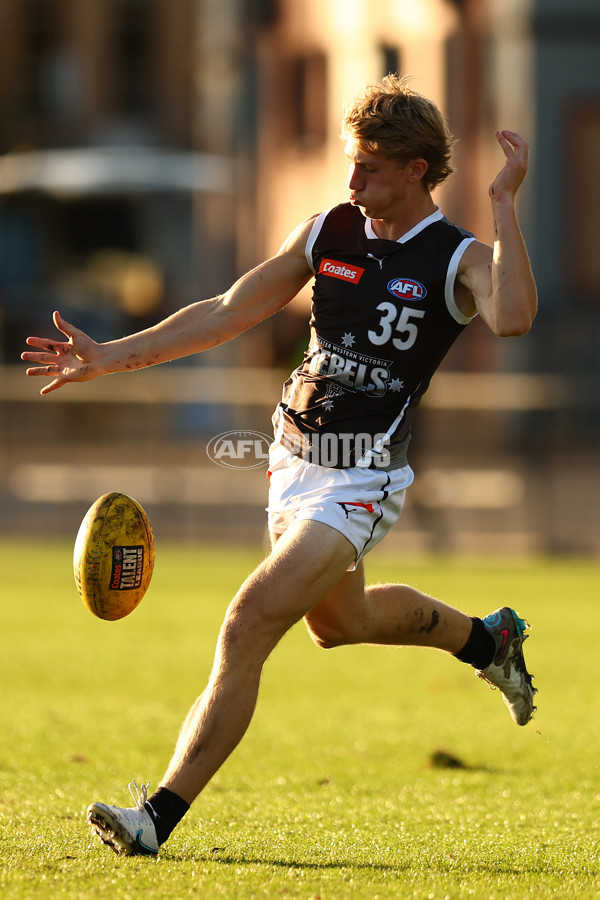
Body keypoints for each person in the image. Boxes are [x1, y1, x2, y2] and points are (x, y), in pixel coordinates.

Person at [22, 75, 538, 857]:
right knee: (342, 625)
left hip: (361, 481)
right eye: (350, 163)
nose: (352, 180)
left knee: (248, 620)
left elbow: (515, 316)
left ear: (413, 168)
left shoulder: (455, 257)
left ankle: (154, 818)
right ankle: (487, 642)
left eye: (368, 166)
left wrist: (503, 204)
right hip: (291, 463)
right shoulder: (327, 230)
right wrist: (108, 359)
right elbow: (229, 311)